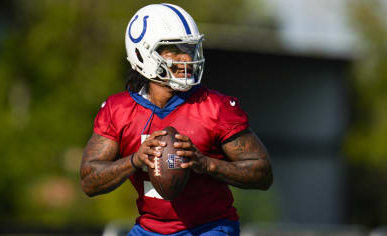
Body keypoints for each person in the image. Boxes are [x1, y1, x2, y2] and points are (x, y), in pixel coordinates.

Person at [80, 3, 273, 236]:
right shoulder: (119, 110)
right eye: (174, 49)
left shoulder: (214, 108)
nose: (186, 56)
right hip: (149, 228)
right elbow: (89, 181)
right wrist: (134, 161)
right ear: (144, 53)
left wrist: (207, 164)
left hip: (210, 228)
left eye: (190, 48)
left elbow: (263, 173)